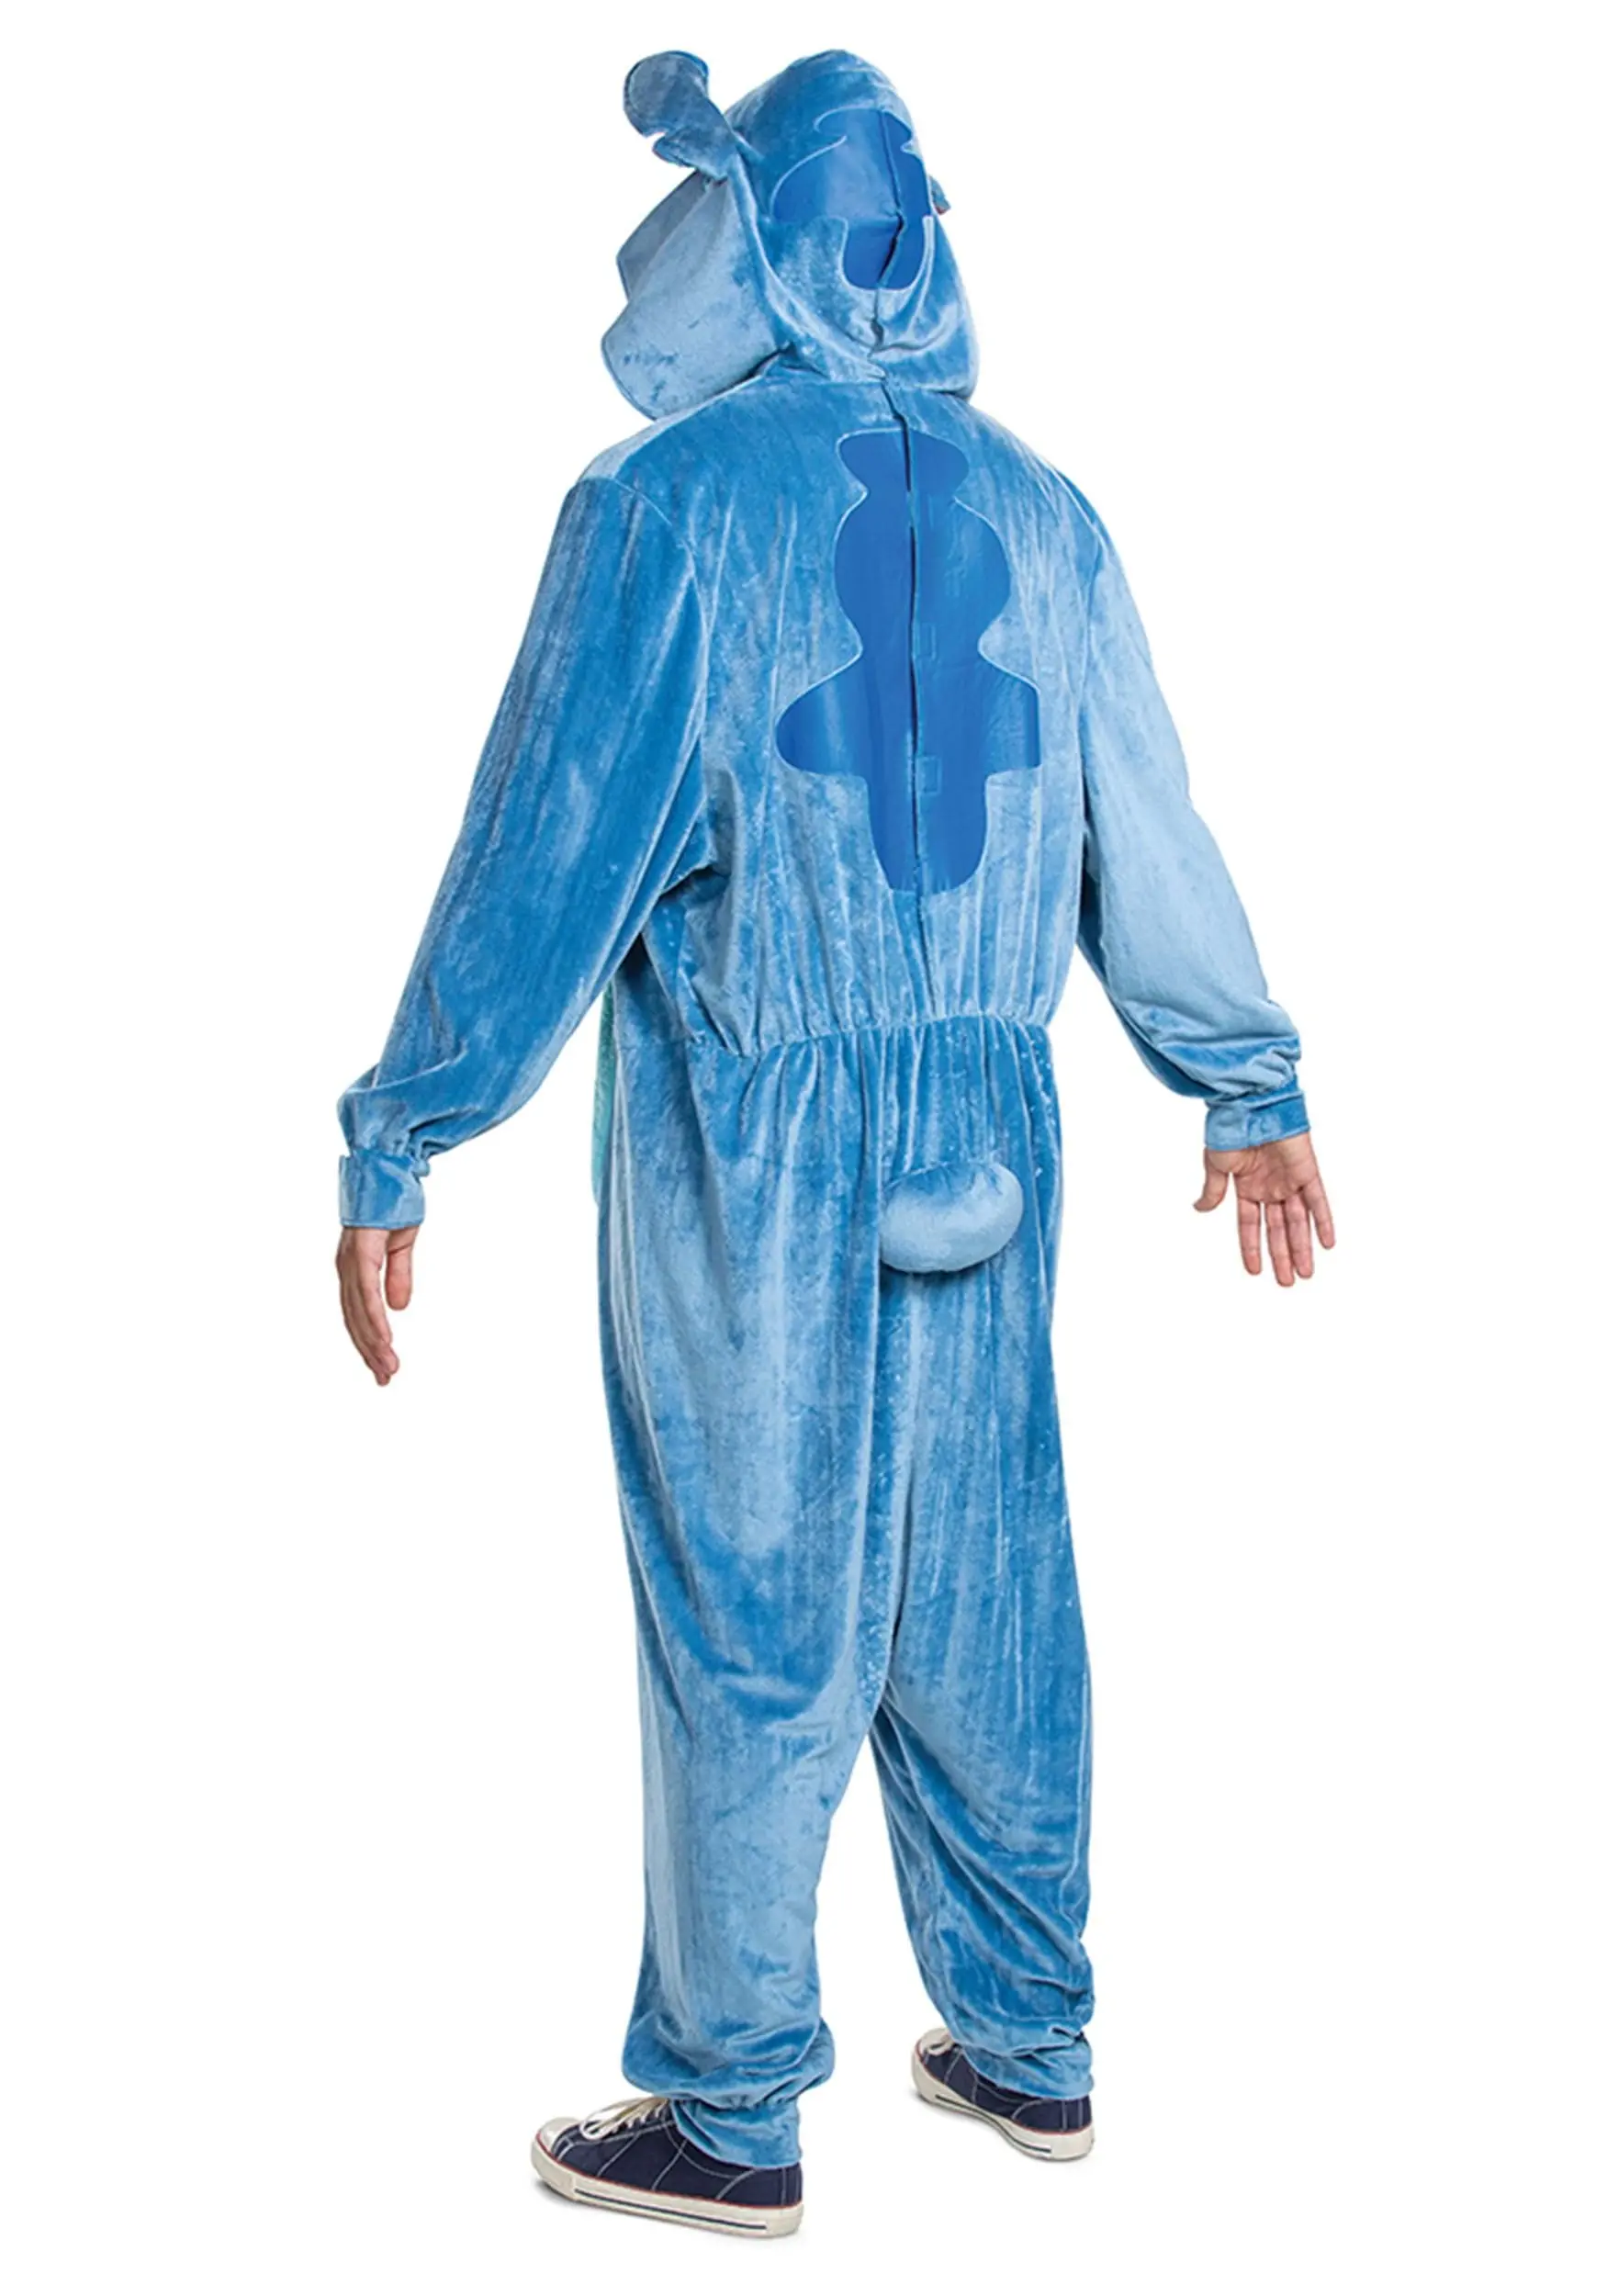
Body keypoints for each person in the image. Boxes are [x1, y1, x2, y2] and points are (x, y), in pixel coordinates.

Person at [334, 49, 1334, 2241]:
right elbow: (1141, 818)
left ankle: (726, 2109)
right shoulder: (1047, 512)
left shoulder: (662, 508)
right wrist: (1242, 1076)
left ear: (752, 234)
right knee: (989, 1586)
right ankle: (1028, 2038)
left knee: (750, 1599)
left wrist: (410, 1118)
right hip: (990, 1112)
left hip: (754, 1123)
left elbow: (546, 853)